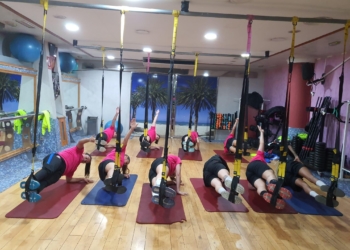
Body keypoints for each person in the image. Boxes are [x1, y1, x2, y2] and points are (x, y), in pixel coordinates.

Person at [21, 137, 95, 202]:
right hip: (56, 158)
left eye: (86, 161)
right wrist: (89, 140)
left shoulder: (74, 167)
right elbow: (81, 142)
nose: (85, 160)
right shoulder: (79, 150)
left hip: (61, 170)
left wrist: (82, 179)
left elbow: (69, 180)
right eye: (86, 157)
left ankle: (33, 193)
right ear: (84, 153)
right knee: (49, 170)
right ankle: (30, 182)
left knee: (50, 181)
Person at [276, 145, 345, 207]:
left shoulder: (275, 153)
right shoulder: (282, 145)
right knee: (311, 177)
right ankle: (322, 184)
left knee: (303, 184)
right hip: (290, 163)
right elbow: (288, 145)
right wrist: (296, 155)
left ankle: (315, 195)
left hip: (282, 173)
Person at [245, 126, 292, 209]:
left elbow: (250, 186)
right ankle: (273, 183)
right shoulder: (260, 155)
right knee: (270, 174)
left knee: (260, 186)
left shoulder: (258, 156)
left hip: (248, 172)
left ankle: (264, 193)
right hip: (256, 164)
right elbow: (262, 143)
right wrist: (262, 132)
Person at [99, 118, 138, 185]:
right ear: (125, 156)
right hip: (106, 163)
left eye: (126, 163)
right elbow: (125, 140)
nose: (125, 162)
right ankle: (110, 178)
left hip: (103, 173)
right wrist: (131, 129)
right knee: (114, 167)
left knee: (116, 171)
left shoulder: (120, 164)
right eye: (127, 160)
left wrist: (124, 174)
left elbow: (121, 169)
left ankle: (109, 181)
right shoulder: (121, 151)